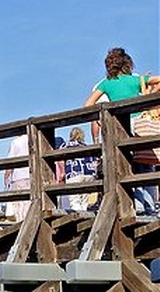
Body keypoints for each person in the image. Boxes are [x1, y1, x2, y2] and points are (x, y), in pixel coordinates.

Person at [84, 48, 160, 215]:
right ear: (127, 63)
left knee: (127, 168)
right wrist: (148, 96)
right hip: (140, 127)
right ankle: (150, 208)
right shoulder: (135, 79)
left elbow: (87, 105)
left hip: (119, 129)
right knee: (145, 166)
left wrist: (103, 114)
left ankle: (137, 207)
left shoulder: (106, 84)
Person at [62, 127, 98, 213]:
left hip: (74, 173)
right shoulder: (85, 146)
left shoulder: (66, 146)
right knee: (84, 200)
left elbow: (60, 159)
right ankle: (85, 217)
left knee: (75, 200)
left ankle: (78, 219)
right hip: (89, 174)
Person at [3, 132, 30, 222]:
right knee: (29, 200)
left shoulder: (15, 142)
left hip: (18, 175)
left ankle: (21, 221)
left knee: (19, 202)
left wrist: (6, 174)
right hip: (31, 174)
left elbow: (11, 160)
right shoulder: (32, 139)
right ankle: (29, 219)